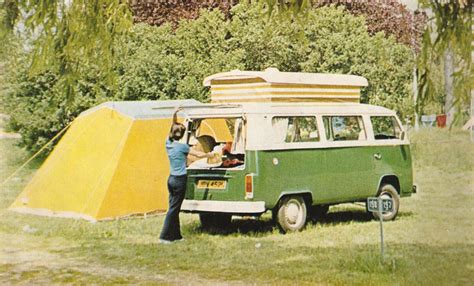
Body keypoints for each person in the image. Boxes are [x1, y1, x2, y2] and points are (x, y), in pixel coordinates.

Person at [159, 107, 212, 244]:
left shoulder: (168, 144)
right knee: (173, 210)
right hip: (180, 180)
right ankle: (164, 237)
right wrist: (209, 154)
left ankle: (176, 236)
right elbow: (198, 154)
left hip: (171, 179)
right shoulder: (182, 147)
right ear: (182, 135)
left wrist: (175, 114)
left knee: (174, 208)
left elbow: (172, 127)